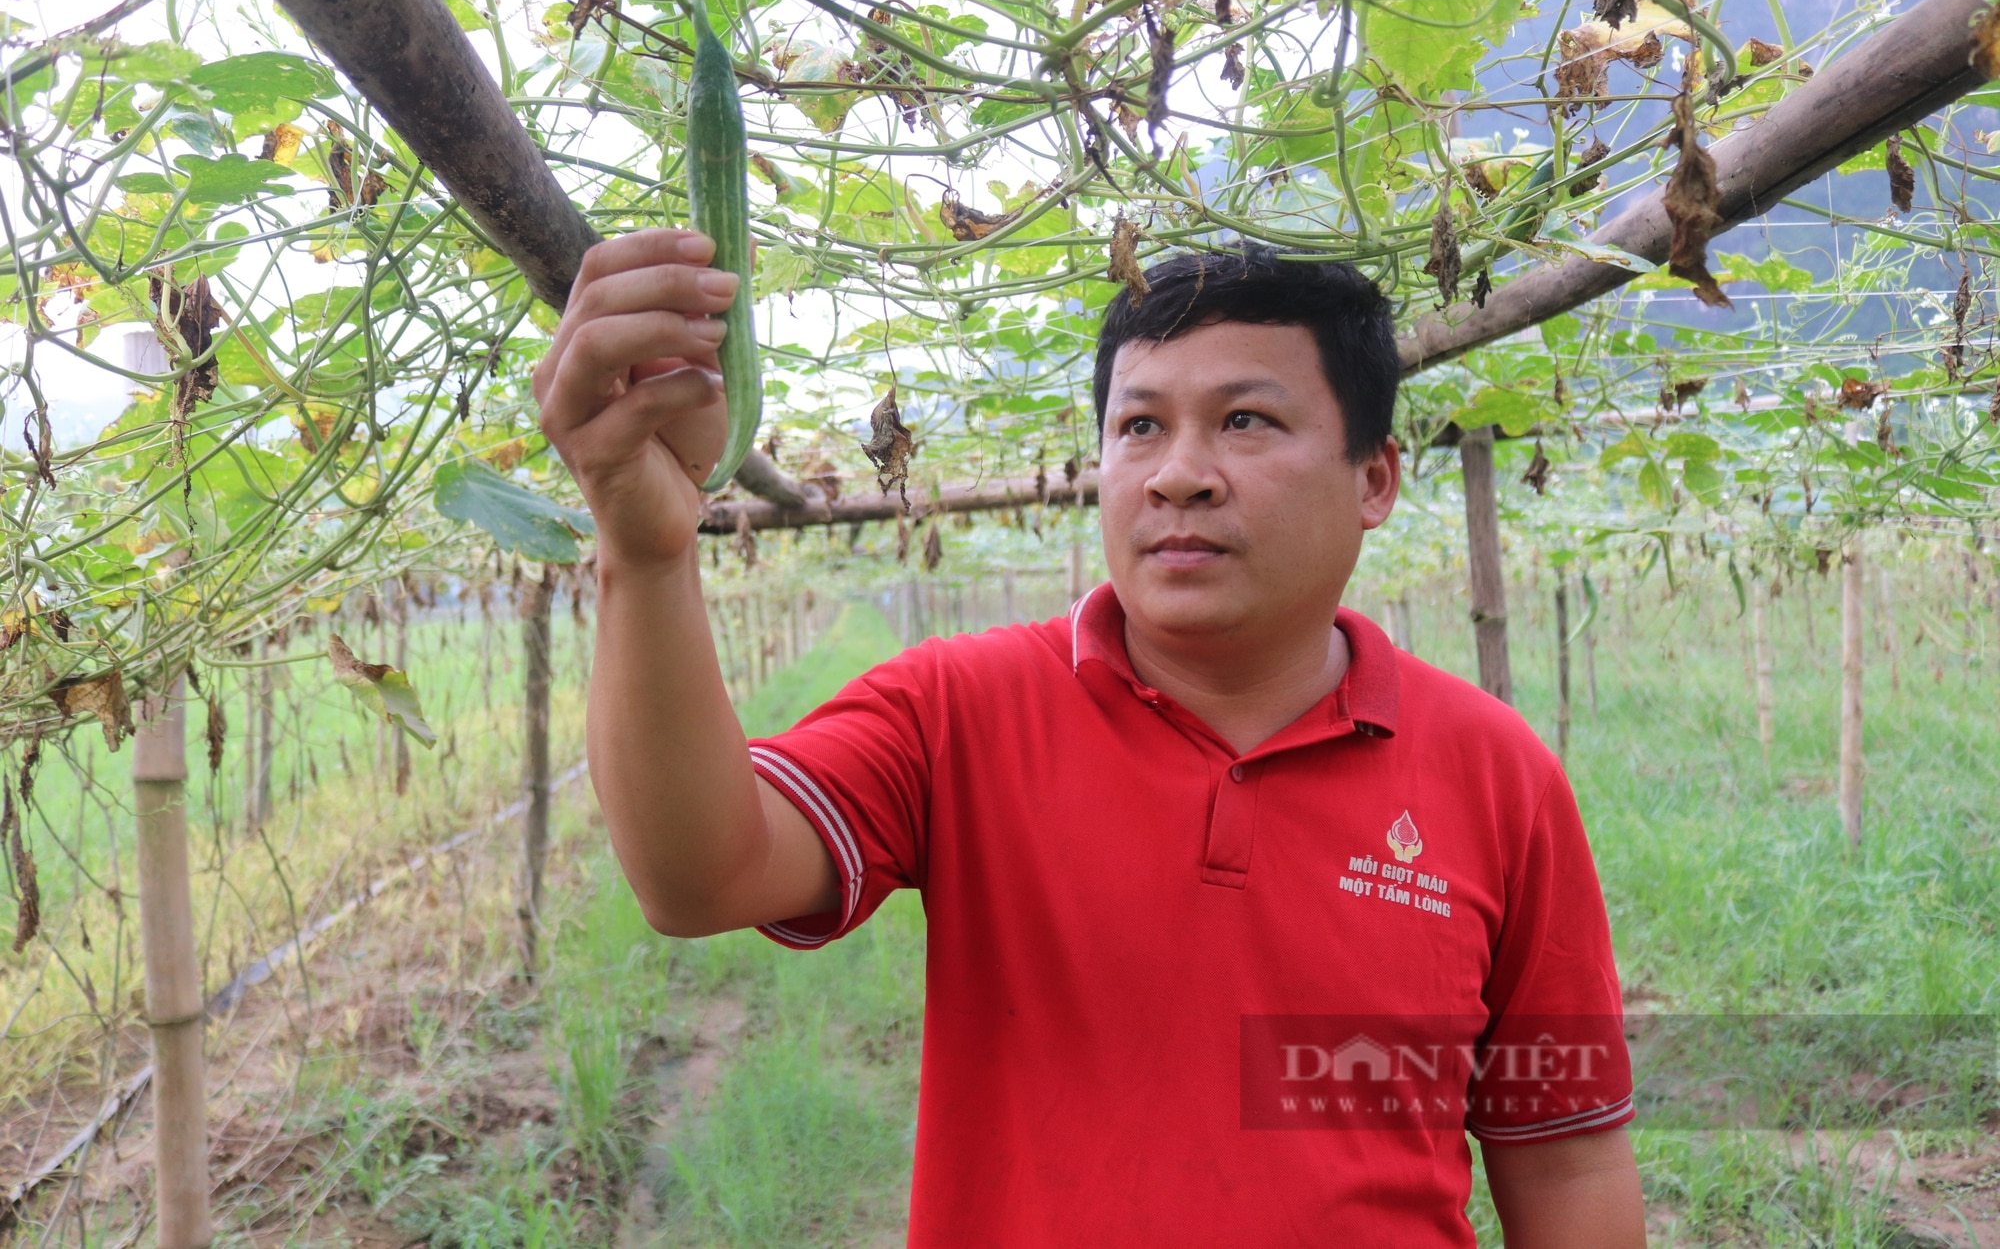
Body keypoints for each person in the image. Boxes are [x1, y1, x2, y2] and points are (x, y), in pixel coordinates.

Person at [532, 228, 1646, 1247]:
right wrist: (644, 553)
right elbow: (697, 874)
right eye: (1139, 425)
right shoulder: (957, 710)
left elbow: (1563, 1148)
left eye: (1245, 421)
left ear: (1373, 478)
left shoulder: (1497, 776)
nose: (1178, 472)